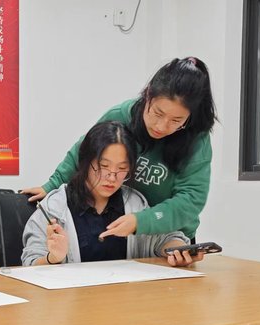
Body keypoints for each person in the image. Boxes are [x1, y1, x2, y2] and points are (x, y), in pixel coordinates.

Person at [21, 57, 217, 241]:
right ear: (148, 95)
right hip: (124, 224)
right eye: (158, 113)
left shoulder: (196, 139)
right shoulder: (122, 116)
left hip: (171, 234)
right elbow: (85, 150)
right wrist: (51, 185)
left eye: (176, 121)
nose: (161, 126)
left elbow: (191, 199)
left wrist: (142, 220)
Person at [22, 121, 202, 267]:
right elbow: (29, 263)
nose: (112, 178)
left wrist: (178, 250)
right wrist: (53, 258)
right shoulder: (54, 209)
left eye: (122, 169)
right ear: (85, 162)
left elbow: (163, 239)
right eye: (104, 167)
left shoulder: (135, 204)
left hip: (124, 298)